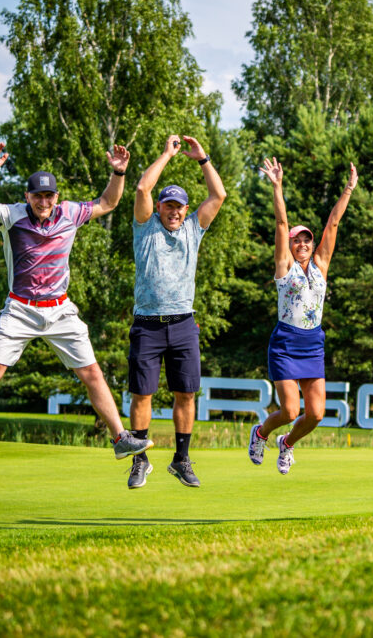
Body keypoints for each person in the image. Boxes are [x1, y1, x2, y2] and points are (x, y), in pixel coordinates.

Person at [0, 142, 152, 462]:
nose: (43, 201)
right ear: (28, 197)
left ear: (56, 197)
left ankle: (120, 439)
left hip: (60, 309)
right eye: (37, 196)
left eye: (49, 196)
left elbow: (109, 202)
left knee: (92, 373)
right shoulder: (12, 215)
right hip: (20, 309)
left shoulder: (70, 213)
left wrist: (118, 173)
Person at [125, 134, 227, 489]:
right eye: (167, 205)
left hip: (183, 324)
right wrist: (167, 155)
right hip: (147, 324)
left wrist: (203, 159)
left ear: (185, 210)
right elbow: (142, 188)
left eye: (178, 207)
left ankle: (181, 459)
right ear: (160, 208)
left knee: (186, 394)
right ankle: (140, 460)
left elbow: (218, 195)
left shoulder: (193, 229)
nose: (173, 211)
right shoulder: (145, 227)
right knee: (143, 394)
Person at [246, 158, 357, 474]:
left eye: (307, 239)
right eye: (298, 240)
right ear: (290, 245)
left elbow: (333, 224)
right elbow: (282, 224)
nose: (303, 243)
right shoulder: (284, 266)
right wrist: (277, 186)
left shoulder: (321, 265)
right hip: (285, 342)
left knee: (317, 413)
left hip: (312, 343)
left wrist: (349, 189)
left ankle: (287, 443)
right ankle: (261, 433)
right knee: (290, 410)